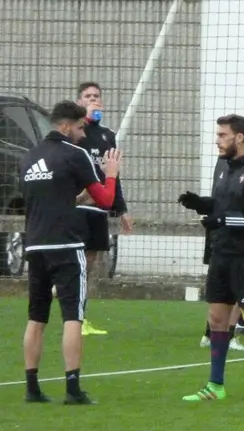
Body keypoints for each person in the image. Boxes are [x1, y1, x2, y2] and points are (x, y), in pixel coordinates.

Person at [21, 100, 122, 404]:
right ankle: (73, 389)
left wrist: (73, 196)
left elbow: (51, 197)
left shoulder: (29, 158)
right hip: (66, 244)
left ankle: (32, 388)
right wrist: (112, 172)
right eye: (79, 127)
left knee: (36, 317)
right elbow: (105, 200)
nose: (82, 133)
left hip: (35, 244)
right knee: (72, 317)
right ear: (66, 125)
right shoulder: (74, 155)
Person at [179, 114, 244, 401]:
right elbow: (222, 206)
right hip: (222, 253)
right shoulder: (223, 167)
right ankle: (215, 385)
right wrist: (202, 204)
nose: (217, 140)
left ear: (240, 137)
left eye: (222, 135)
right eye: (218, 134)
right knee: (216, 319)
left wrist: (223, 220)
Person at [74, 81, 132, 336]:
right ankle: (73, 311)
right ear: (79, 102)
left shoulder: (108, 135)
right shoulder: (75, 132)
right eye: (88, 96)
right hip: (77, 207)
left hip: (99, 207)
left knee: (91, 260)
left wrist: (122, 209)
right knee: (76, 259)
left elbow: (113, 175)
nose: (93, 100)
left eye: (96, 96)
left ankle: (81, 316)